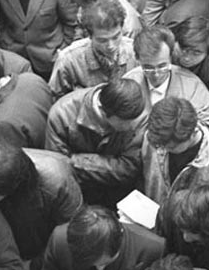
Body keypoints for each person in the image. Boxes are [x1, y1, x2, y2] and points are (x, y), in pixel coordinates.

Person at [0, 138, 82, 270]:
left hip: (42, 254)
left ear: (7, 189)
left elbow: (70, 240)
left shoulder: (58, 185)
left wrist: (33, 266)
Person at [44, 78, 147, 207]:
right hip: (79, 196)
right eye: (124, 122)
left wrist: (76, 161)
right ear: (103, 112)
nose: (131, 127)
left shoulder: (136, 113)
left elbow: (129, 169)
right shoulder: (62, 115)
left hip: (120, 198)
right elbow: (59, 168)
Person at [141, 96, 209, 213]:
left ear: (193, 132)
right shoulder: (158, 137)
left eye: (171, 147)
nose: (161, 150)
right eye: (158, 146)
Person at [40, 205, 165, 270]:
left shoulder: (154, 250)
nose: (99, 268)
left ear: (120, 241)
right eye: (91, 264)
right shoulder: (59, 241)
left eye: (104, 263)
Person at [49, 0, 139, 102]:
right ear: (90, 35)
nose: (111, 46)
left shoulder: (135, 52)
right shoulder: (69, 60)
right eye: (102, 40)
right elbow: (55, 98)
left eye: (116, 37)